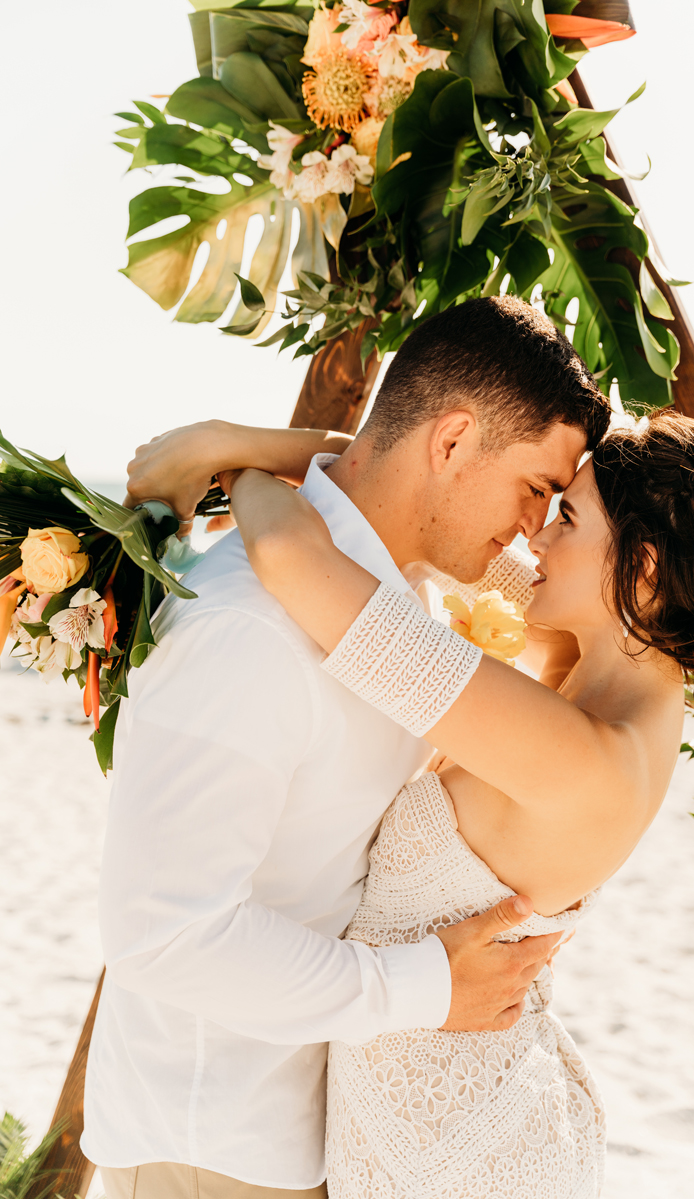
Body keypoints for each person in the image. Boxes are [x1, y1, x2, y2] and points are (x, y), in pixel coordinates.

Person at [84, 296, 612, 1199]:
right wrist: (422, 988)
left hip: (310, 1136)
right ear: (451, 443)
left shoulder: (403, 592)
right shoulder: (248, 627)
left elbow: (576, 589)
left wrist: (241, 447)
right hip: (210, 1142)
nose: (532, 529)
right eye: (536, 489)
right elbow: (160, 933)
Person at [198, 410, 694, 1198]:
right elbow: (428, 499)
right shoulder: (601, 671)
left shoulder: (580, 753)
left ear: (641, 566)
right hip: (456, 1122)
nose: (535, 536)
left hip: (461, 1156)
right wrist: (265, 451)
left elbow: (290, 556)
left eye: (566, 516)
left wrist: (230, 464)